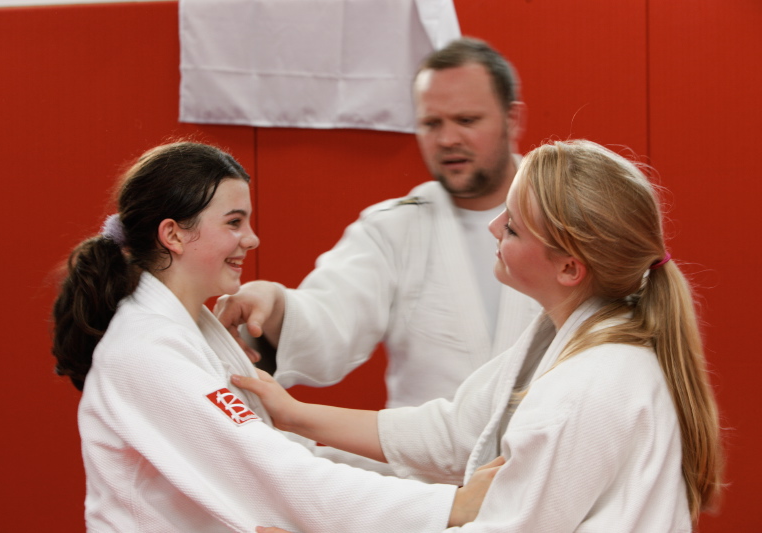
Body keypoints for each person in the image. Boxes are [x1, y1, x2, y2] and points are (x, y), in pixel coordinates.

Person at [231, 140, 724, 530]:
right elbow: (450, 433)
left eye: (512, 228)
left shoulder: (584, 389)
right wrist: (294, 415)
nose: (492, 227)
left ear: (570, 268)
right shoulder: (567, 342)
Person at [50, 141, 500, 532]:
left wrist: (436, 486)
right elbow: (281, 475)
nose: (252, 239)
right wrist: (450, 505)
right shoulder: (146, 351)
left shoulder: (193, 333)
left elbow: (290, 457)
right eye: (233, 222)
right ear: (174, 235)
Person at [217, 37, 540, 408]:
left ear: (512, 119)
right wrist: (274, 306)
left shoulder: (575, 213)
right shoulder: (392, 228)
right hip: (425, 463)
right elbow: (331, 320)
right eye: (431, 123)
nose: (448, 139)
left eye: (467, 120)